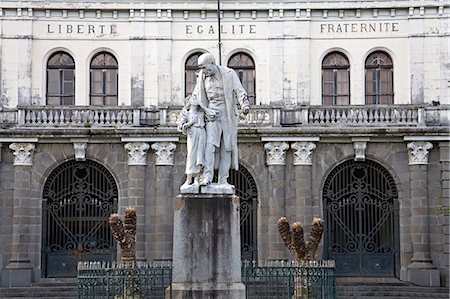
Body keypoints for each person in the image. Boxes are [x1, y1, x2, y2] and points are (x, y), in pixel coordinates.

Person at [191, 52, 250, 186]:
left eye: (204, 67)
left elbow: (239, 90)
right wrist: (200, 111)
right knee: (209, 147)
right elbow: (195, 97)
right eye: (200, 68)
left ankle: (223, 179)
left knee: (226, 147)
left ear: (212, 63)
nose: (202, 71)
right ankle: (207, 177)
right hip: (212, 114)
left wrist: (244, 104)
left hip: (227, 113)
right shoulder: (202, 77)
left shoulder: (229, 73)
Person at [178, 96, 212, 187]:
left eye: (196, 99)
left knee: (199, 155)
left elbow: (212, 114)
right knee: (191, 155)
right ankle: (189, 179)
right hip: (192, 133)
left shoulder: (201, 114)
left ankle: (197, 179)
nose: (195, 101)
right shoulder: (186, 114)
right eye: (193, 99)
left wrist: (203, 106)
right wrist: (190, 123)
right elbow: (180, 127)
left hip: (201, 133)